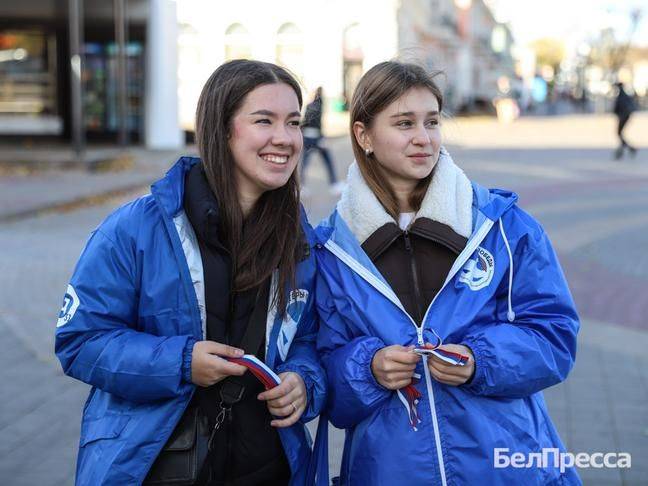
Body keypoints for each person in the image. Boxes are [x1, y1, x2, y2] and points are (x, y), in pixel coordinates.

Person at [55, 59, 326, 486]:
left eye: (293, 122)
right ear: (221, 128)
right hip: (152, 466)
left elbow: (308, 341)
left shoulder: (300, 240)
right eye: (264, 120)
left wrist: (304, 383)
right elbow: (80, 341)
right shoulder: (135, 229)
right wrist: (181, 363)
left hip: (268, 467)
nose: (285, 138)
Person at [314, 61, 580, 485]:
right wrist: (368, 369)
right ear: (364, 135)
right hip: (389, 472)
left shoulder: (503, 228)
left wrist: (482, 360)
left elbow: (555, 337)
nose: (424, 138)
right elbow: (322, 370)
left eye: (432, 122)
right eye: (404, 124)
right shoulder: (330, 250)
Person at [300, 87, 344, 195]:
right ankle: (334, 184)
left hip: (307, 137)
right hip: (316, 138)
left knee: (305, 162)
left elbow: (305, 122)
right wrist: (321, 137)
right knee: (327, 160)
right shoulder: (319, 106)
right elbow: (317, 124)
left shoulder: (309, 105)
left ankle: (301, 186)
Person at [613, 82, 638, 160]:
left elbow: (621, 107)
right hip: (624, 116)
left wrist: (617, 112)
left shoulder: (622, 95)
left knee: (619, 133)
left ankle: (627, 149)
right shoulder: (623, 95)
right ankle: (628, 149)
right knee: (619, 133)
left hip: (624, 116)